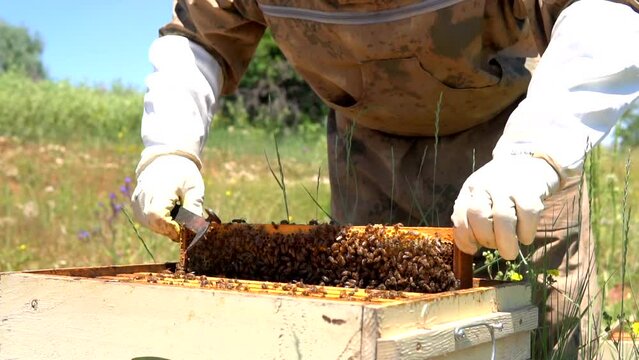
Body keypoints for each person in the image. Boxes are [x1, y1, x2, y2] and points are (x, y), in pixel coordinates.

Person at [131, 0, 639, 357]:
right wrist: (168, 148)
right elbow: (199, 33)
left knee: (545, 338)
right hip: (368, 156)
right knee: (371, 337)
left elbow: (606, 9)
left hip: (512, 141)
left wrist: (537, 153)